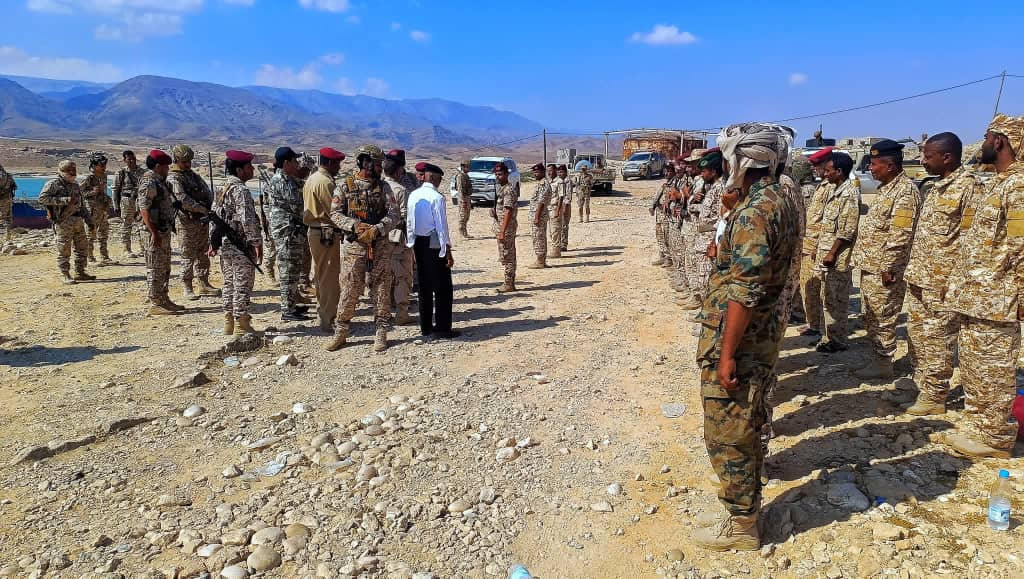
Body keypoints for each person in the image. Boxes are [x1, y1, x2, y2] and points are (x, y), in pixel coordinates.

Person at [693, 122, 799, 551]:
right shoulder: (775, 199)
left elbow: (746, 289)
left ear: (741, 160)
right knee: (747, 424)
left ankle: (742, 525)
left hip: (742, 339)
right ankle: (745, 510)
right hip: (760, 335)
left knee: (729, 433)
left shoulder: (756, 211)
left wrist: (727, 355)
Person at [937, 114, 1024, 459]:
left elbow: (1021, 245)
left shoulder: (1018, 185)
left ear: (999, 141)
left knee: (993, 370)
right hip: (977, 295)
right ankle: (979, 428)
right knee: (975, 367)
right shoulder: (998, 182)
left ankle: (995, 438)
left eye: (987, 137)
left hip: (997, 298)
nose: (983, 143)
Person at [902, 133, 984, 415]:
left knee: (938, 339)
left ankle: (935, 396)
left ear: (947, 157)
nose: (922, 161)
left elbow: (971, 241)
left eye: (928, 156)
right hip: (919, 276)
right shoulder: (935, 187)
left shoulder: (969, 188)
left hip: (943, 283)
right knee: (917, 335)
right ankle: (922, 385)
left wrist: (958, 281)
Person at [850, 139, 921, 379]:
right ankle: (878, 358)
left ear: (890, 165)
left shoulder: (905, 192)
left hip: (885, 269)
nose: (870, 168)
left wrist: (889, 267)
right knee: (872, 315)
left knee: (883, 316)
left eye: (874, 164)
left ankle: (883, 363)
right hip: (872, 266)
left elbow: (901, 234)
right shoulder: (885, 189)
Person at [325, 144, 400, 353]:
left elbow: (394, 214)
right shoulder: (345, 186)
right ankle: (341, 332)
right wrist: (354, 226)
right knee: (349, 289)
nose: (380, 168)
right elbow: (335, 213)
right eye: (376, 164)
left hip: (379, 246)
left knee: (381, 289)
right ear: (364, 162)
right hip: (354, 248)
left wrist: (378, 229)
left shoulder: (384, 187)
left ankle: (381, 332)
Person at [210, 150, 263, 335]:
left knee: (229, 283)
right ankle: (241, 324)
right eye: (249, 166)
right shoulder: (241, 190)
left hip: (225, 243)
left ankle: (229, 322)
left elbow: (214, 217)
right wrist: (256, 242)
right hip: (240, 244)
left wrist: (213, 242)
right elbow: (247, 219)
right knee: (242, 284)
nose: (252, 169)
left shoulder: (222, 187)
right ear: (240, 170)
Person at [814, 152, 860, 352]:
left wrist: (832, 253)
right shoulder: (835, 190)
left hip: (837, 258)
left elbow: (846, 231)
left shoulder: (849, 194)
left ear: (839, 171)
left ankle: (837, 340)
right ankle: (827, 337)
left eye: (828, 170)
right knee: (827, 298)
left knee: (837, 300)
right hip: (827, 254)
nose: (825, 174)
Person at [407, 163, 458, 339]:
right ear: (433, 177)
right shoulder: (436, 197)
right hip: (434, 243)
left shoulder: (414, 195)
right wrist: (447, 252)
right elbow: (441, 227)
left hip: (418, 243)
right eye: (438, 178)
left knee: (425, 287)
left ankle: (426, 327)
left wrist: (411, 245)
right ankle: (443, 328)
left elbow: (410, 223)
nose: (439, 182)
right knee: (443, 287)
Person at [167, 145, 220, 301]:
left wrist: (209, 207)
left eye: (189, 161)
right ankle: (187, 286)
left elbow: (207, 191)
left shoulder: (192, 175)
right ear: (176, 160)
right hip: (186, 221)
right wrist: (202, 209)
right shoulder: (174, 178)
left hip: (201, 220)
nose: (188, 164)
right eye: (184, 162)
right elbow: (182, 199)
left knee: (203, 252)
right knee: (187, 254)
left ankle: (203, 283)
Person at [304, 147, 346, 332]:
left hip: (316, 232)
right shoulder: (325, 182)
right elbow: (334, 212)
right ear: (328, 163)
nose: (339, 167)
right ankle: (329, 319)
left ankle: (324, 314)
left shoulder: (313, 178)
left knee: (321, 274)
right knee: (329, 277)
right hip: (325, 232)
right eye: (336, 163)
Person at [268, 146, 312, 322]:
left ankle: (291, 304)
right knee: (288, 270)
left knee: (294, 268)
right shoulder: (281, 181)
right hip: (287, 232)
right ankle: (287, 309)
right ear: (286, 163)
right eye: (294, 161)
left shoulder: (289, 179)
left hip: (293, 231)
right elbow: (297, 205)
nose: (297, 164)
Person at [136, 150, 180, 314]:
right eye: (165, 166)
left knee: (164, 266)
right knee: (155, 267)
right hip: (153, 232)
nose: (167, 169)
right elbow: (144, 209)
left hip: (162, 229)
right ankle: (156, 302)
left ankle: (164, 298)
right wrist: (153, 232)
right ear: (157, 166)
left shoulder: (159, 182)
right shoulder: (149, 182)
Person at [39, 161, 95, 285]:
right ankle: (65, 274)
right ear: (62, 171)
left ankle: (80, 272)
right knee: (64, 249)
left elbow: (82, 205)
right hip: (63, 221)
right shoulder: (53, 184)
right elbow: (42, 199)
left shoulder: (75, 185)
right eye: (69, 170)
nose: (73, 173)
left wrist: (89, 221)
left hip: (78, 221)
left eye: (74, 170)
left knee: (82, 248)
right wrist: (65, 200)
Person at [799, 147, 835, 338]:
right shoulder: (822, 186)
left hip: (817, 247)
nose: (815, 169)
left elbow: (829, 221)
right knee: (808, 287)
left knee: (818, 289)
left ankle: (820, 328)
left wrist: (819, 245)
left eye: (818, 165)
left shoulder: (831, 188)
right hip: (809, 244)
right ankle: (813, 324)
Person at [383, 149, 416, 325]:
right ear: (397, 171)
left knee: (386, 274)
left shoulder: (379, 187)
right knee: (403, 277)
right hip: (399, 238)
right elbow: (406, 217)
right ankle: (402, 313)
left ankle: (385, 310)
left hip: (382, 238)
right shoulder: (401, 190)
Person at [689, 149, 725, 306]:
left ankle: (708, 314)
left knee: (708, 279)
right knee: (702, 277)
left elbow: (723, 218)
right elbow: (701, 209)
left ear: (714, 171)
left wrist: (715, 242)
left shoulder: (721, 188)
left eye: (704, 171)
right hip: (702, 238)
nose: (702, 174)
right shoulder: (710, 188)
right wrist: (692, 201)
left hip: (710, 239)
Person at [80, 153, 114, 265]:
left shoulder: (103, 176)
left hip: (102, 208)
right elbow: (79, 192)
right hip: (92, 210)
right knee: (90, 234)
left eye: (105, 165)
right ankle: (90, 258)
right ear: (94, 166)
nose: (104, 167)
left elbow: (103, 191)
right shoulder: (89, 178)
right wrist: (92, 192)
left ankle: (104, 256)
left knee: (104, 233)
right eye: (101, 165)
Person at [492, 161, 520, 292]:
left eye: (500, 174)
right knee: (505, 254)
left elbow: (508, 211)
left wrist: (502, 231)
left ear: (507, 174)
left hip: (507, 228)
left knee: (508, 254)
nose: (498, 176)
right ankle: (508, 282)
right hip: (502, 226)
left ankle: (509, 283)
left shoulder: (508, 190)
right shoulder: (501, 189)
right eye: (496, 174)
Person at [113, 150, 144, 258]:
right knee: (127, 225)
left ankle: (143, 247)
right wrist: (116, 206)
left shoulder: (142, 172)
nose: (132, 161)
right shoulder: (121, 173)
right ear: (124, 160)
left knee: (141, 224)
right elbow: (116, 190)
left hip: (139, 200)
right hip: (126, 201)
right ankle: (126, 249)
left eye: (133, 159)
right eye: (129, 159)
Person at [527, 162, 552, 268]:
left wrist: (537, 217)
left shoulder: (543, 184)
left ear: (543, 172)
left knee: (538, 238)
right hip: (539, 215)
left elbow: (541, 202)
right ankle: (542, 260)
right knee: (540, 237)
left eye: (537, 172)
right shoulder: (541, 183)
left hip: (539, 216)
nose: (535, 174)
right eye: (534, 172)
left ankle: (540, 261)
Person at [650, 163, 675, 267]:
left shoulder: (674, 184)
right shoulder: (665, 184)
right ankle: (663, 256)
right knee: (659, 235)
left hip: (667, 215)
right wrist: (653, 207)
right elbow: (657, 197)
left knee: (666, 236)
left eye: (669, 171)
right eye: (666, 171)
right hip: (660, 214)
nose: (666, 173)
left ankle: (669, 258)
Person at [548, 164, 566, 258]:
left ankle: (556, 252)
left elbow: (561, 197)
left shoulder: (560, 182)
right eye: (548, 171)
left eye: (551, 170)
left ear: (555, 170)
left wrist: (558, 210)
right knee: (551, 231)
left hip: (555, 208)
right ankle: (554, 249)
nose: (549, 173)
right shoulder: (549, 182)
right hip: (549, 208)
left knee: (555, 230)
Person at [454, 159, 473, 238]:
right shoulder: (460, 176)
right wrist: (463, 201)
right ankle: (462, 233)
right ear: (463, 167)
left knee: (466, 216)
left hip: (467, 198)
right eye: (467, 167)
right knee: (463, 216)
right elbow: (460, 190)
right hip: (463, 199)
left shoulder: (466, 175)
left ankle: (465, 232)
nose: (469, 168)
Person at [557, 165, 573, 251]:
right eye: (559, 172)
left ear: (565, 172)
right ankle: (558, 243)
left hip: (565, 205)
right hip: (558, 206)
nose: (560, 174)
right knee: (557, 226)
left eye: (561, 172)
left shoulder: (568, 181)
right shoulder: (558, 181)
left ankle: (563, 244)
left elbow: (568, 196)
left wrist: (565, 207)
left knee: (564, 226)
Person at [0, 161, 15, 241]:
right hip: (7, 199)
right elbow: (14, 186)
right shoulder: (8, 175)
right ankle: (8, 235)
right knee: (7, 217)